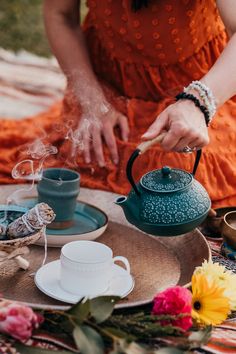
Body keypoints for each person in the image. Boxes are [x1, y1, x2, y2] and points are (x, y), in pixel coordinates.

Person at [0, 0, 236, 208]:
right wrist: (90, 98)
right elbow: (60, 15)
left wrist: (198, 102)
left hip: (202, 85)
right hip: (104, 89)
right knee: (84, 161)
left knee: (173, 178)